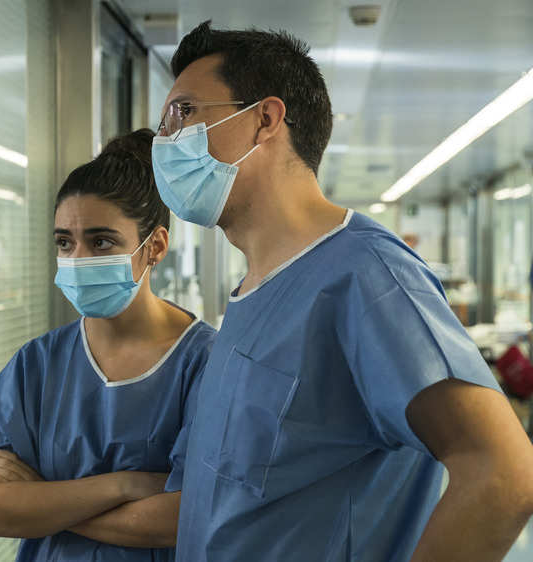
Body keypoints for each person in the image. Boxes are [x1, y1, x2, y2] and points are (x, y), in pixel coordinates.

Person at [151, 20, 533, 561]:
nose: (164, 140)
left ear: (264, 118)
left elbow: (504, 472)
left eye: (183, 113)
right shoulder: (252, 291)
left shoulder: (365, 275)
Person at [0, 128, 217, 561]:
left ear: (154, 247)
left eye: (101, 242)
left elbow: (186, 516)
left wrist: (46, 502)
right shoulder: (37, 365)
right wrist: (126, 485)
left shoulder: (206, 362)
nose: (78, 259)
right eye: (65, 242)